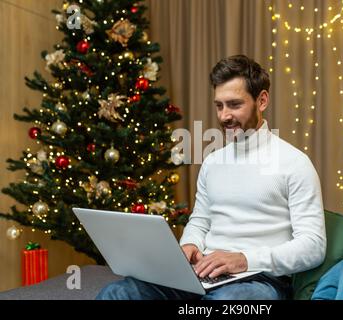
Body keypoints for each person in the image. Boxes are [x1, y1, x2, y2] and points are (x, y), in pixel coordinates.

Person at [96, 55, 326, 300]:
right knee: (119, 292)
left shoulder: (294, 163)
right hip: (203, 273)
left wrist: (244, 260)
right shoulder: (212, 162)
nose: (225, 116)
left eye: (235, 104)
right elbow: (200, 220)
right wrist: (190, 244)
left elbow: (313, 246)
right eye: (219, 105)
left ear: (262, 100)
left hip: (258, 280)